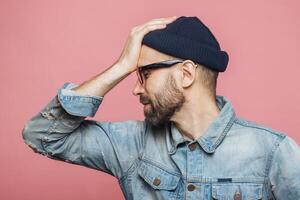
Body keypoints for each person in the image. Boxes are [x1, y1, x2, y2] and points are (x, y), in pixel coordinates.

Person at [22, 16, 300, 200]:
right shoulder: (130, 146)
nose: (136, 88)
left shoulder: (272, 151)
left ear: (186, 74)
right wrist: (121, 66)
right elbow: (42, 136)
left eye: (145, 74)